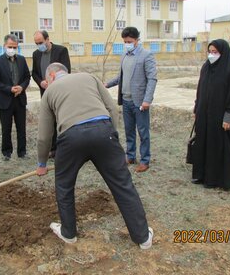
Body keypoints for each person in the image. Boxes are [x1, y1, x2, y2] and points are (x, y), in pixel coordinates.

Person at [36, 63, 153, 249]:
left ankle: (68, 234)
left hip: (70, 138)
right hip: (103, 131)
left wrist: (42, 162)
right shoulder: (88, 77)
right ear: (66, 72)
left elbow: (44, 135)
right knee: (123, 184)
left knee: (64, 186)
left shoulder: (49, 92)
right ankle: (143, 237)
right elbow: (112, 108)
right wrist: (111, 137)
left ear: (50, 76)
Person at [191, 39, 230, 191]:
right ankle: (201, 175)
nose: (211, 55)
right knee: (203, 144)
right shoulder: (206, 67)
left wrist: (229, 117)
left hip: (220, 118)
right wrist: (197, 109)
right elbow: (200, 90)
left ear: (223, 53)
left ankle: (216, 179)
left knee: (218, 146)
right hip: (204, 115)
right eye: (210, 52)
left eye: (215, 52)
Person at [105, 26, 157, 173]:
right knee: (129, 131)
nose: (127, 43)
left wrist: (147, 100)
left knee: (143, 132)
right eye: (125, 41)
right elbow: (121, 77)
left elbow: (152, 79)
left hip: (140, 102)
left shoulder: (146, 55)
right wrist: (106, 84)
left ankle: (145, 160)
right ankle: (131, 156)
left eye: (129, 41)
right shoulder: (125, 55)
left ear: (136, 40)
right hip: (126, 100)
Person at [31, 30, 71, 158]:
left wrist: (53, 82)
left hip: (60, 92)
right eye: (36, 43)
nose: (39, 46)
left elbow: (66, 70)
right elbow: (34, 73)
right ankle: (53, 148)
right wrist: (41, 82)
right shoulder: (36, 54)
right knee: (50, 120)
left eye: (41, 42)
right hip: (45, 92)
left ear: (48, 39)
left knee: (61, 119)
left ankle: (64, 147)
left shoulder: (61, 51)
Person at [0, 34, 31, 160]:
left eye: (14, 47)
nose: (12, 49)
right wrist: (9, 89)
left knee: (21, 128)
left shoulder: (22, 60)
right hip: (5, 100)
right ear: (4, 46)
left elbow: (26, 77)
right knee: (6, 128)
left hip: (20, 99)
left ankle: (22, 152)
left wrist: (21, 87)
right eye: (10, 46)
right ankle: (7, 152)